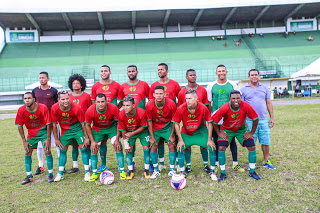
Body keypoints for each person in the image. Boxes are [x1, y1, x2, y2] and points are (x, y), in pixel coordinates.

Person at [212, 90, 261, 181]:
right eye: (233, 98)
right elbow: (214, 121)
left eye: (238, 98)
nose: (236, 100)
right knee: (221, 148)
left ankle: (252, 171)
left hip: (241, 130)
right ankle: (223, 173)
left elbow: (256, 118)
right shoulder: (225, 107)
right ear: (230, 99)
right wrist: (219, 133)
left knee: (252, 147)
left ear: (241, 98)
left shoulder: (245, 105)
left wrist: (251, 133)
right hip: (227, 130)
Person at [173, 89, 217, 181]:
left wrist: (209, 139)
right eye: (186, 98)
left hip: (200, 132)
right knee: (180, 148)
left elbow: (209, 123)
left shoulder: (203, 107)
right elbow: (176, 124)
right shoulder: (181, 108)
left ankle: (212, 171)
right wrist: (180, 140)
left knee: (211, 147)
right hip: (187, 133)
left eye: (190, 98)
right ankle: (182, 171)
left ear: (196, 98)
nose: (187, 100)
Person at [206, 64, 244, 172]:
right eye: (219, 71)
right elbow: (209, 102)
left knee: (231, 140)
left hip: (230, 117)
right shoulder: (211, 86)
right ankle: (217, 163)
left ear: (226, 72)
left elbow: (238, 100)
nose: (221, 73)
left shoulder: (232, 84)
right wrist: (210, 117)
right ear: (216, 73)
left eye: (223, 71)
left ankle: (235, 164)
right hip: (216, 118)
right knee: (217, 139)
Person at [51, 90, 90, 182]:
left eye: (67, 98)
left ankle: (87, 172)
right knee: (62, 150)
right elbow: (54, 124)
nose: (65, 101)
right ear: (58, 100)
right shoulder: (54, 108)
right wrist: (56, 139)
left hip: (77, 129)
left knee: (83, 148)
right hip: (65, 131)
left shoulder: (76, 107)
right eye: (63, 99)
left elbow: (83, 123)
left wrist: (86, 138)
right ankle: (60, 173)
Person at [240, 69, 276, 170]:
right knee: (251, 142)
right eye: (252, 75)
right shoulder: (243, 90)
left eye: (256, 75)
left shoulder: (264, 88)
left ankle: (266, 161)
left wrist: (271, 117)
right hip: (249, 120)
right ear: (248, 77)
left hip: (263, 119)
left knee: (265, 141)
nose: (254, 77)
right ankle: (252, 163)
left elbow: (269, 103)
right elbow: (242, 107)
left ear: (259, 76)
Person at [85, 93, 126, 181]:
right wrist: (92, 141)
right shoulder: (90, 110)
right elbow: (87, 125)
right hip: (98, 129)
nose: (100, 104)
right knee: (94, 148)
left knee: (117, 146)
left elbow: (119, 122)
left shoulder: (113, 108)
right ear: (95, 102)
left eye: (102, 101)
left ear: (106, 101)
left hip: (111, 128)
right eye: (98, 102)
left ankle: (122, 170)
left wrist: (118, 139)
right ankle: (95, 173)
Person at [15, 92, 54, 184]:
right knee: (27, 151)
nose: (27, 100)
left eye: (29, 98)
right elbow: (19, 126)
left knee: (47, 150)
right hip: (31, 133)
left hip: (43, 131)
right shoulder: (21, 110)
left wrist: (48, 139)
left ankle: (51, 174)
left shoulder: (42, 107)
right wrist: (24, 141)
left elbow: (49, 124)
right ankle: (29, 176)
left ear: (34, 99)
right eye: (25, 98)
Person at [149, 63, 181, 171]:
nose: (160, 71)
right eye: (158, 69)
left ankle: (176, 163)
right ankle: (161, 163)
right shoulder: (153, 85)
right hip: (158, 119)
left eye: (162, 69)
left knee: (172, 141)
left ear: (167, 71)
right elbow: (151, 102)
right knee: (160, 142)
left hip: (170, 119)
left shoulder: (174, 84)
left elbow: (179, 99)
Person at [178, 69, 210, 173]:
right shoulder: (182, 92)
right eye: (190, 75)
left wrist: (206, 120)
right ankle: (188, 166)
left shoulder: (202, 90)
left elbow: (206, 106)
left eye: (194, 75)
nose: (193, 77)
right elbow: (180, 109)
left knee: (203, 144)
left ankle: (206, 165)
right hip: (187, 124)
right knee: (186, 145)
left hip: (201, 123)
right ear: (186, 77)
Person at [118, 65, 150, 170]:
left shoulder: (144, 84)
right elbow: (120, 103)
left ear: (137, 72)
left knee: (147, 145)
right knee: (130, 145)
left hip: (141, 119)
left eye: (133, 71)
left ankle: (148, 164)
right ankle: (131, 164)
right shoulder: (122, 86)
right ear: (127, 73)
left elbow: (150, 100)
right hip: (129, 121)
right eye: (129, 71)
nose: (131, 73)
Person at [91, 65, 121, 172]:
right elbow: (93, 102)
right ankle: (103, 164)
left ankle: (121, 165)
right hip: (100, 121)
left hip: (113, 121)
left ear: (110, 72)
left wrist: (115, 110)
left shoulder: (117, 85)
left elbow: (121, 100)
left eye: (106, 71)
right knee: (102, 142)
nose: (103, 72)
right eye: (101, 71)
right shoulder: (95, 86)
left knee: (117, 142)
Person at [146, 85, 177, 179]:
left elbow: (174, 121)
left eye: (160, 93)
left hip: (168, 127)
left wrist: (172, 135)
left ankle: (172, 169)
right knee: (153, 145)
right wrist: (152, 136)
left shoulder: (171, 104)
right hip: (155, 128)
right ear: (153, 95)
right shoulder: (150, 105)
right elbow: (149, 121)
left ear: (164, 94)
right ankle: (156, 170)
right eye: (157, 94)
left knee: (171, 145)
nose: (158, 95)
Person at [32, 71, 59, 176]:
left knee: (57, 142)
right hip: (40, 122)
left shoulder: (53, 90)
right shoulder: (35, 91)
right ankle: (41, 166)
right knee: (40, 145)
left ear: (48, 79)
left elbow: (57, 105)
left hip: (52, 120)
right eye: (40, 78)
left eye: (43, 77)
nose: (41, 79)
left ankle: (62, 165)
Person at [118, 96, 151, 180]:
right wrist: (125, 144)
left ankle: (146, 169)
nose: (125, 107)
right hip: (129, 132)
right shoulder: (121, 114)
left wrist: (132, 133)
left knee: (146, 148)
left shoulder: (141, 112)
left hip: (141, 131)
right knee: (128, 150)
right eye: (124, 105)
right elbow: (122, 129)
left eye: (128, 105)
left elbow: (144, 126)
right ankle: (130, 170)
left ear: (133, 105)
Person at [68, 74, 92, 174]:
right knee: (74, 145)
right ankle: (75, 165)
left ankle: (90, 164)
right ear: (71, 85)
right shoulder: (68, 97)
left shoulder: (86, 96)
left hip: (84, 124)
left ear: (81, 85)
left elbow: (90, 110)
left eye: (78, 83)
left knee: (86, 144)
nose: (76, 85)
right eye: (74, 83)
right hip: (73, 124)